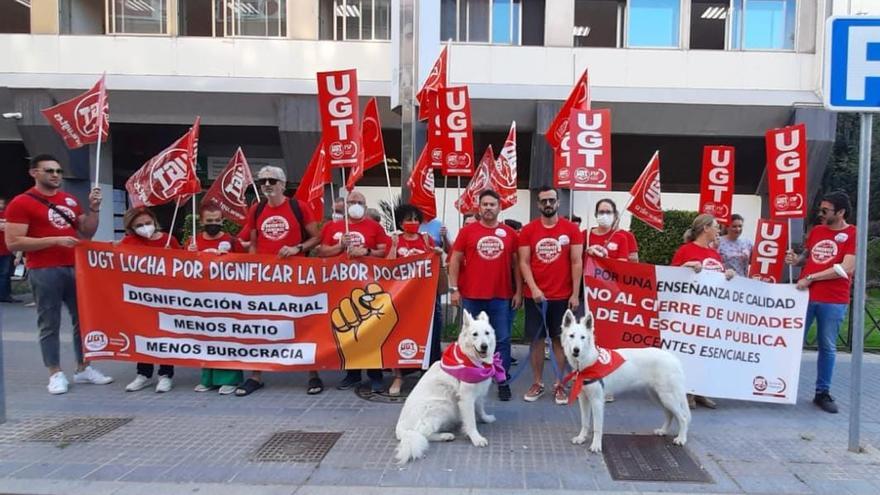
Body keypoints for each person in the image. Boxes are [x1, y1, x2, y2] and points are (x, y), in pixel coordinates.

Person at [4, 154, 113, 394]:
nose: (55, 175)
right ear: (34, 173)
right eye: (49, 170)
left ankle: (84, 367)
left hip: (75, 268)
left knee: (83, 320)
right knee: (49, 323)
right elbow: (13, 243)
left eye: (59, 171)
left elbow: (86, 232)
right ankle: (55, 372)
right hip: (44, 269)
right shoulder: (21, 203)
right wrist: (54, 240)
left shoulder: (70, 200)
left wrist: (94, 210)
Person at [238, 165, 322, 397]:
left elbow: (316, 237)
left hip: (294, 276)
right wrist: (252, 266)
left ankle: (312, 374)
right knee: (260, 323)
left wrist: (297, 248)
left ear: (283, 185)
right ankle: (256, 375)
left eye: (272, 181)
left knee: (302, 323)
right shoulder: (256, 209)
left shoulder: (298, 207)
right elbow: (252, 241)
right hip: (265, 278)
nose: (266, 184)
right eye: (263, 180)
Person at [785, 191, 856, 414]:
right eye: (821, 209)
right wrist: (795, 260)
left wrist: (811, 278)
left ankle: (822, 392)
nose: (821, 214)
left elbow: (846, 268)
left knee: (827, 346)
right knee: (793, 343)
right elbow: (808, 256)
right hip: (806, 296)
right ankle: (781, 386)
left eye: (826, 211)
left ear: (841, 212)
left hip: (832, 298)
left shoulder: (853, 233)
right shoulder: (817, 231)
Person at [448, 189, 523, 401]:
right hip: (471, 296)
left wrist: (518, 291)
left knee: (502, 340)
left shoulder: (509, 234)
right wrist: (454, 289)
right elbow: (454, 260)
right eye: (485, 204)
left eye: (492, 204)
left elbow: (516, 265)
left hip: (501, 296)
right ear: (478, 208)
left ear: (499, 208)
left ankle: (502, 380)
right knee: (468, 339)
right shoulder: (467, 232)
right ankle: (469, 378)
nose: (488, 208)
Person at [317, 190, 390, 393]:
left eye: (359, 202)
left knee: (371, 329)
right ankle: (352, 374)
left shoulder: (374, 227)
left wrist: (366, 252)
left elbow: (383, 251)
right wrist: (340, 247)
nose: (355, 205)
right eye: (352, 202)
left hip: (369, 288)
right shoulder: (333, 227)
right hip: (341, 286)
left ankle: (375, 375)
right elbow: (321, 251)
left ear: (365, 207)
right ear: (345, 205)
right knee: (347, 329)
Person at [518, 186, 583, 404]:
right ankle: (537, 382)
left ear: (558, 203)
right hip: (535, 297)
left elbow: (576, 262)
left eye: (551, 200)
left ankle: (559, 384)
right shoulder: (528, 230)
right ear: (538, 204)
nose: (548, 204)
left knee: (558, 340)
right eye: (543, 201)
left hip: (562, 296)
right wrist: (534, 288)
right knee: (536, 341)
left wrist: (575, 293)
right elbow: (523, 262)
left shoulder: (571, 229)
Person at [671, 213, 736, 410]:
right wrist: (685, 266)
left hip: (710, 314)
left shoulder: (714, 254)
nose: (719, 230)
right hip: (690, 313)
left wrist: (728, 275)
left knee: (706, 354)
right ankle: (687, 392)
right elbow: (670, 278)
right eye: (716, 226)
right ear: (706, 228)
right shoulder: (685, 250)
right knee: (689, 353)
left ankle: (700, 390)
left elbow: (717, 280)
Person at [119, 206, 180, 393]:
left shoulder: (169, 240)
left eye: (148, 223)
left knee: (165, 335)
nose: (145, 227)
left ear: (154, 222)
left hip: (165, 296)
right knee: (142, 333)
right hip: (141, 297)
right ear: (131, 227)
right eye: (139, 225)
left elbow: (185, 264)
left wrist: (175, 254)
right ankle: (143, 374)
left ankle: (165, 374)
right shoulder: (128, 242)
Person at [386, 204, 443, 395]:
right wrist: (393, 246)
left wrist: (437, 254)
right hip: (400, 297)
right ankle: (398, 376)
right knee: (398, 334)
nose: (413, 223)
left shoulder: (426, 240)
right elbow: (387, 267)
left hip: (425, 297)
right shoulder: (394, 240)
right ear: (401, 223)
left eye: (416, 219)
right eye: (408, 219)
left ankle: (427, 375)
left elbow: (437, 261)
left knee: (428, 336)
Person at [191, 203, 245, 395]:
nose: (213, 224)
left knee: (227, 338)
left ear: (222, 221)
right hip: (203, 298)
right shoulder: (194, 241)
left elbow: (245, 264)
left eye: (217, 220)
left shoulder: (231, 240)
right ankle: (208, 379)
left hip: (227, 297)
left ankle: (231, 379)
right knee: (207, 338)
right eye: (209, 221)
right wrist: (189, 254)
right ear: (202, 221)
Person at [0, 196, 21, 303]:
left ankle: (5, 295)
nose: (1, 205)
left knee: (6, 273)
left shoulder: (7, 214)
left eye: (2, 203)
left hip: (6, 249)